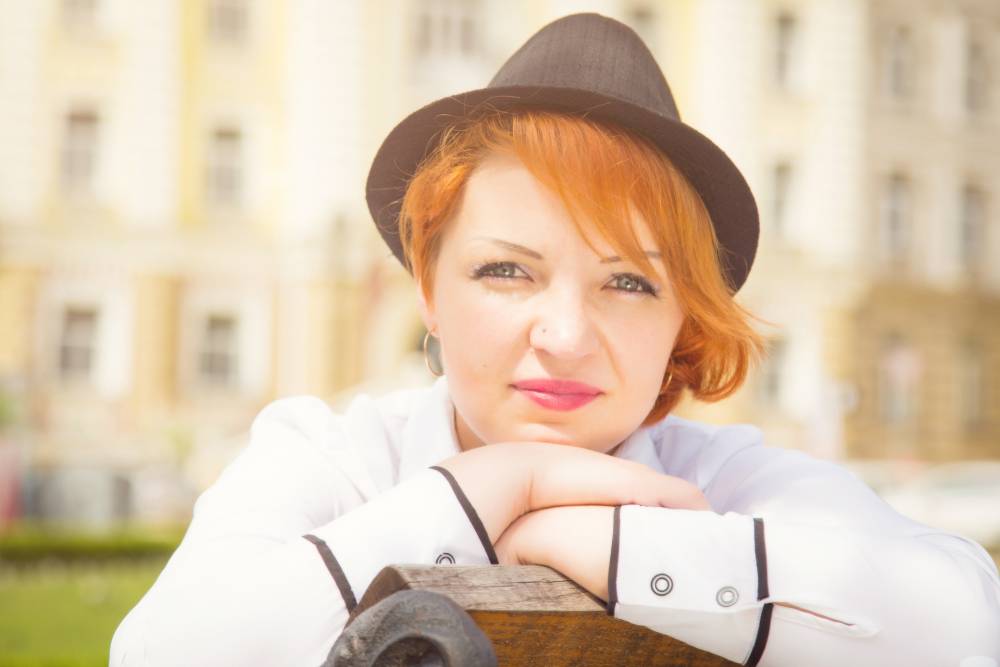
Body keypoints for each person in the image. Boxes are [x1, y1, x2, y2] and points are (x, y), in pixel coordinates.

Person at [110, 12, 1000, 666]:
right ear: (428, 288)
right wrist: (488, 490)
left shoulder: (721, 483)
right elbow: (161, 651)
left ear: (683, 319)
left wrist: (608, 547)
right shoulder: (330, 456)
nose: (566, 335)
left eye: (630, 282)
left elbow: (965, 620)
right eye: (507, 270)